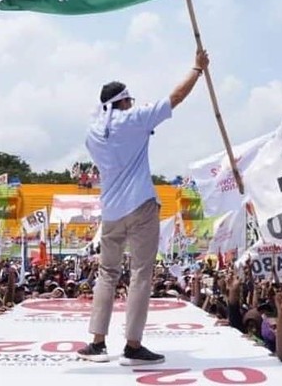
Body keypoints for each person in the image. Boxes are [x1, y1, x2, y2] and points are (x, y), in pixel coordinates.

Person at [76, 49, 210, 366]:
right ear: (123, 101)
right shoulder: (134, 119)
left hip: (110, 211)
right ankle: (133, 345)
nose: (132, 104)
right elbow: (174, 98)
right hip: (140, 205)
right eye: (129, 100)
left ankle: (97, 342)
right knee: (140, 274)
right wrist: (197, 69)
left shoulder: (93, 132)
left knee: (106, 275)